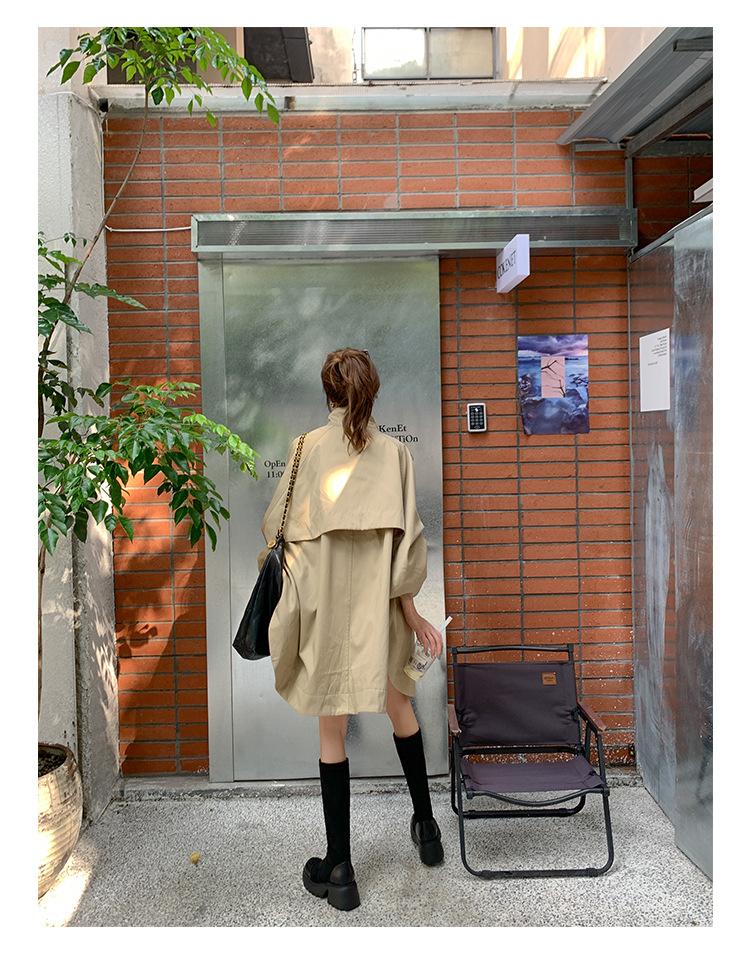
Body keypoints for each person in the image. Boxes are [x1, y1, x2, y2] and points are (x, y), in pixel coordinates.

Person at [256, 347, 444, 911]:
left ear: (329, 393)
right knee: (400, 707)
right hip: (380, 610)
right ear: (372, 391)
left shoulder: (305, 449)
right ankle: (427, 829)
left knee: (331, 730)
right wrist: (411, 612)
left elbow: (275, 530)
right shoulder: (396, 455)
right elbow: (409, 546)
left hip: (325, 613)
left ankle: (340, 869)